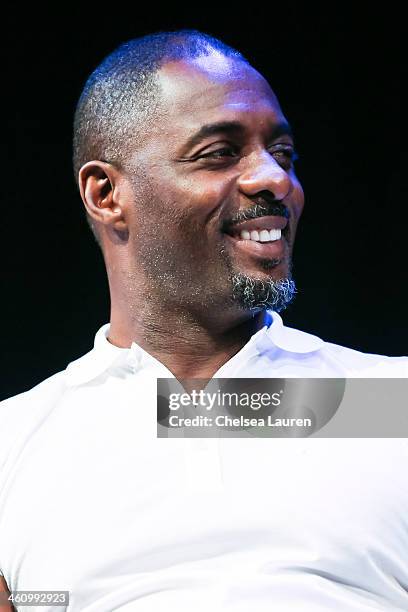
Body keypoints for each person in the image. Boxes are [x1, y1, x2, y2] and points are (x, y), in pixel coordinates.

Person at [1, 30, 407, 612]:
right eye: (220, 153)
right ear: (106, 192)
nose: (274, 179)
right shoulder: (14, 440)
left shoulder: (389, 401)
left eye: (284, 154)